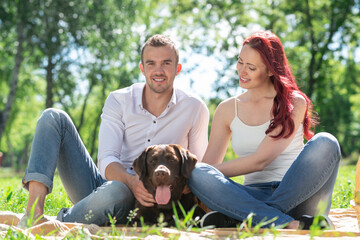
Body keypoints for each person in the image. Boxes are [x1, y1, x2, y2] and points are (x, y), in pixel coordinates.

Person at [20, 34, 209, 227]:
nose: (158, 70)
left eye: (166, 63)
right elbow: (107, 159)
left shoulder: (195, 108)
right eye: (151, 63)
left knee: (117, 192)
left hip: (153, 200)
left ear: (177, 69)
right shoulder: (119, 100)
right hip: (105, 187)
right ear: (142, 68)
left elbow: (199, 168)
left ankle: (55, 223)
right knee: (53, 118)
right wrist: (132, 182)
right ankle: (34, 213)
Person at [188, 31, 341, 230]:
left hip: (300, 197)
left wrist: (198, 171)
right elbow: (209, 166)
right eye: (240, 62)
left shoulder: (293, 102)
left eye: (251, 67)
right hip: (251, 195)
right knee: (198, 171)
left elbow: (261, 160)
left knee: (326, 142)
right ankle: (282, 222)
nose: (242, 71)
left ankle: (245, 218)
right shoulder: (227, 109)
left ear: (270, 70)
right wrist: (197, 172)